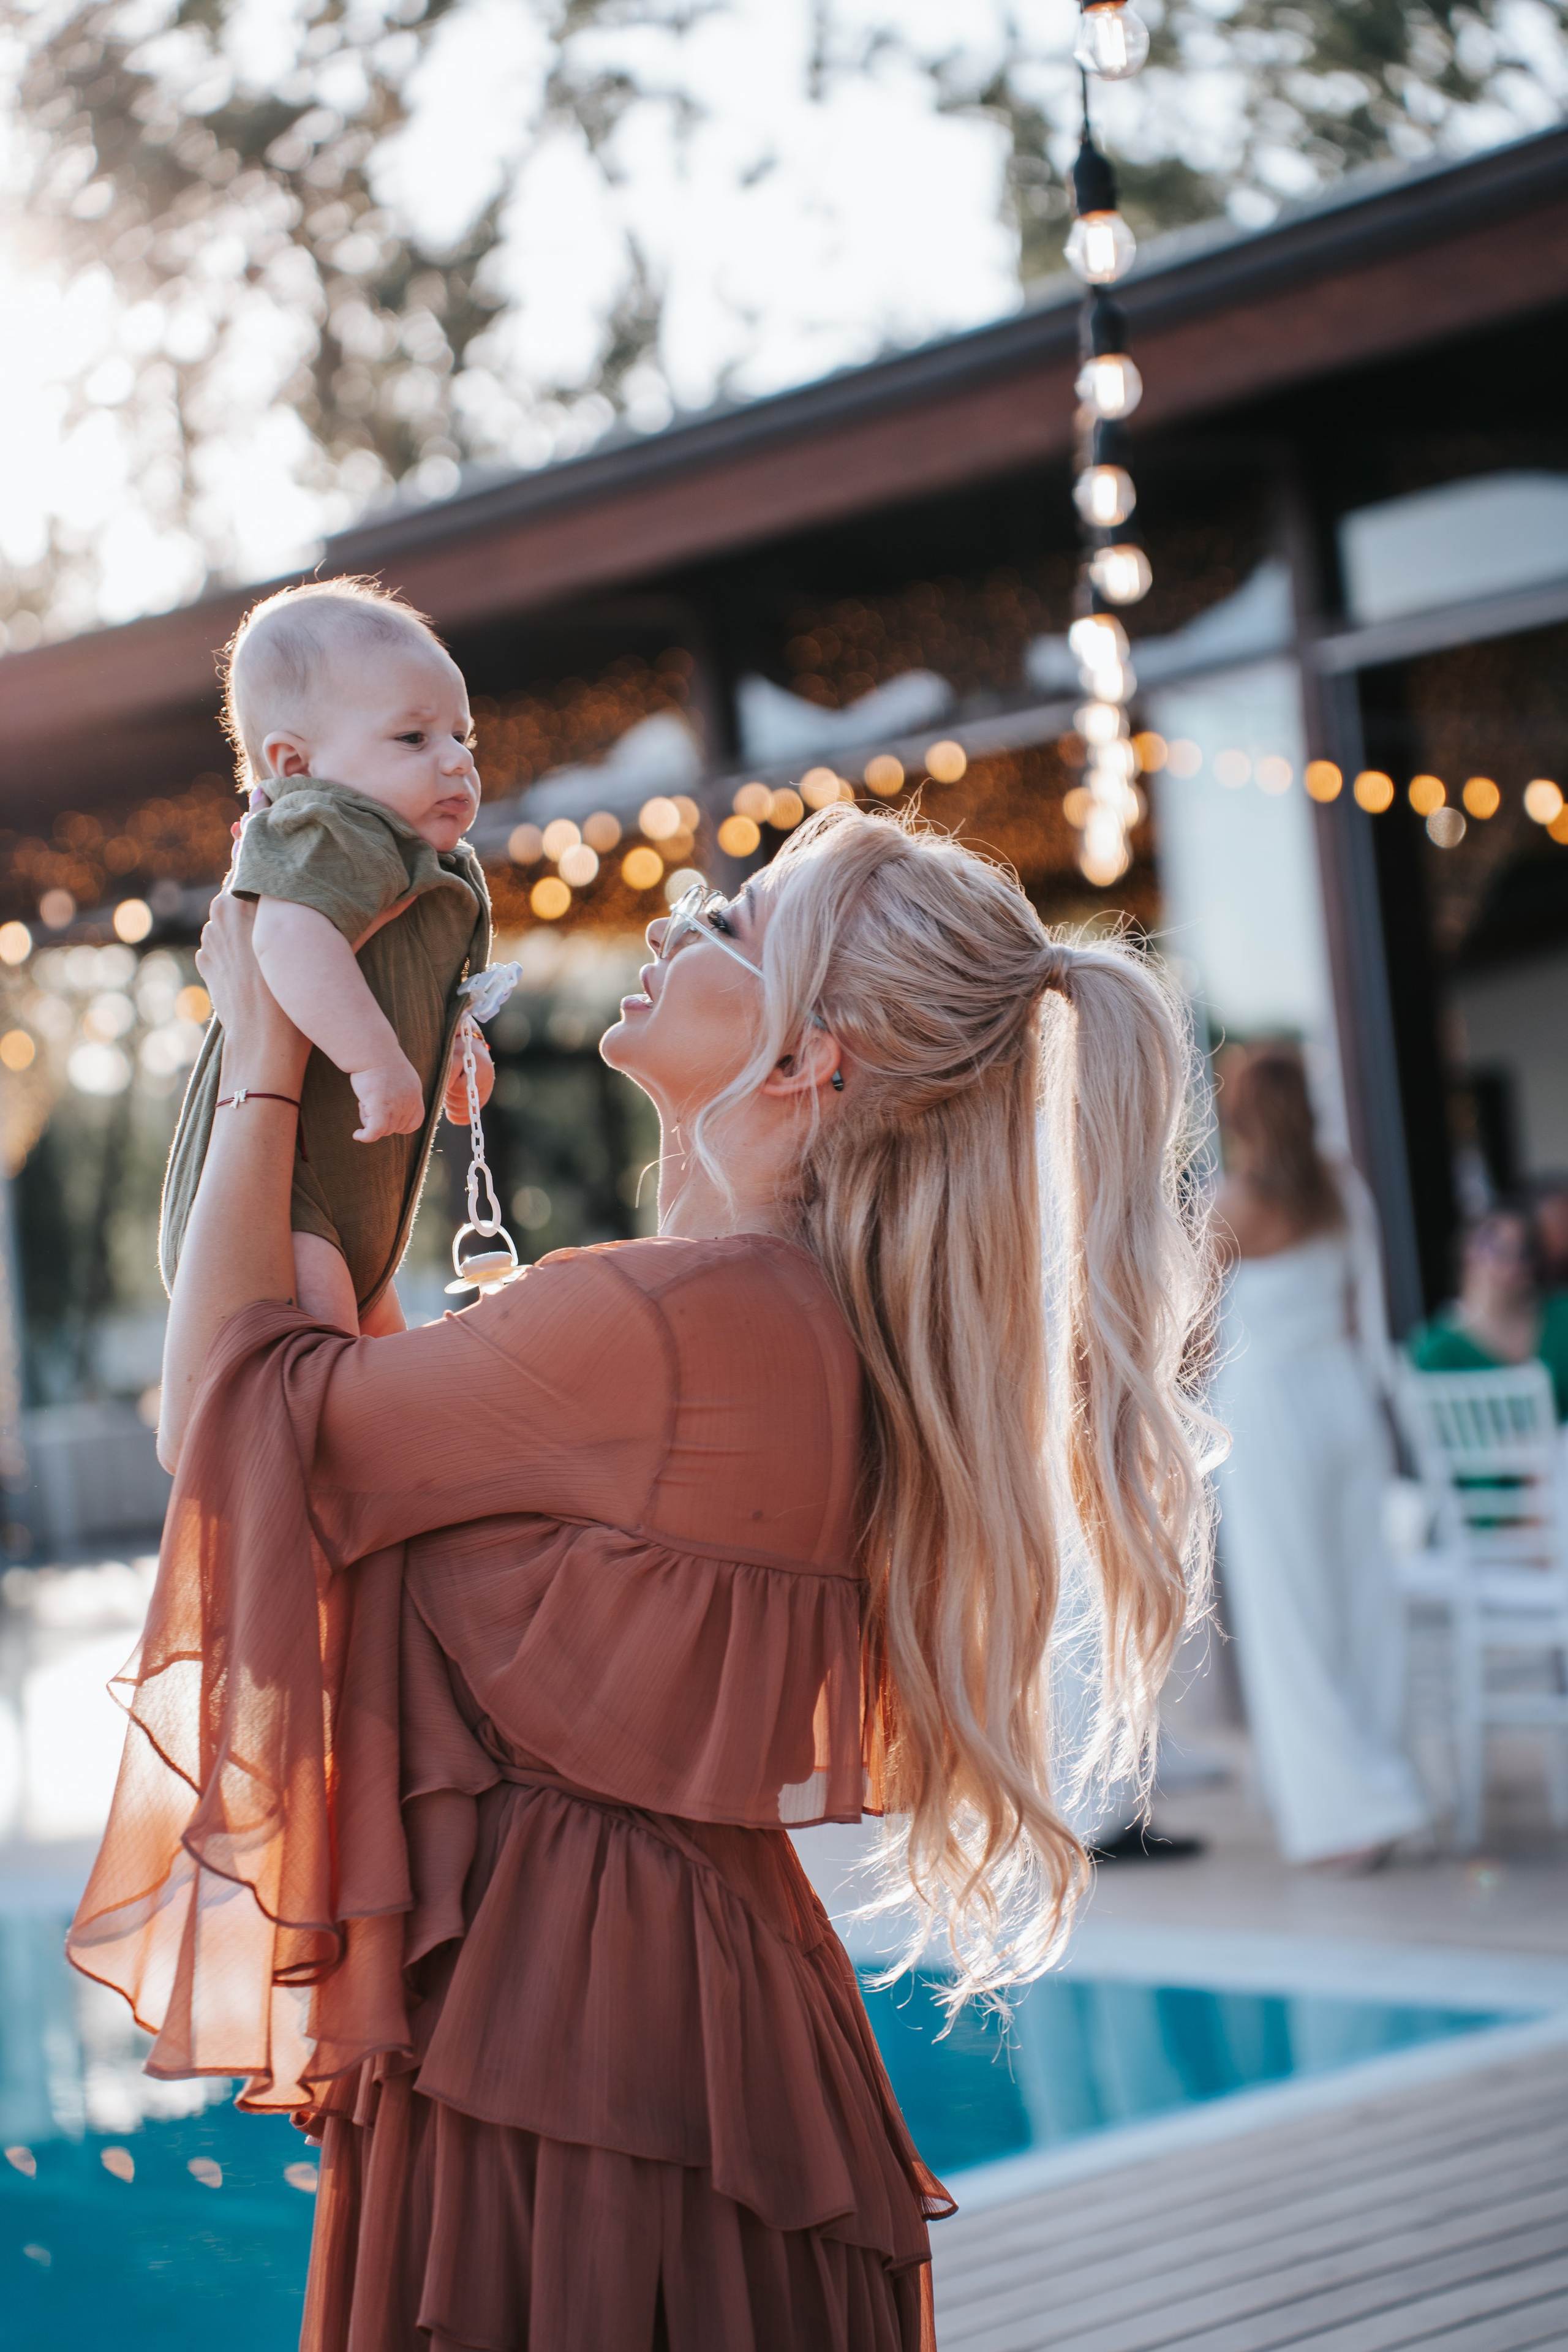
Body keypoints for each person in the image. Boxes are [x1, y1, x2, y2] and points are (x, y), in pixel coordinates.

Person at [67, 807, 1212, 2350]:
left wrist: (264, 1049)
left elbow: (233, 1409)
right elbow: (376, 1436)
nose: (676, 918)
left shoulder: (668, 1321)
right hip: (681, 2017)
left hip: (566, 2039)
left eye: (733, 922)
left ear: (815, 1058)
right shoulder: (785, 1317)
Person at [160, 579, 497, 1338]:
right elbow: (289, 942)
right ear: (295, 764)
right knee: (330, 1363)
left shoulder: (420, 861)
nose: (454, 762)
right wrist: (378, 1062)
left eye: (461, 736)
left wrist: (455, 1053)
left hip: (361, 1198)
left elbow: (421, 986)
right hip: (285, 1192)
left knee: (379, 1384)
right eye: (413, 739)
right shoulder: (328, 826)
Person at [1212, 1045, 1428, 1870]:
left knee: (1291, 1615)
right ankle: (1384, 1780)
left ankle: (1345, 1816)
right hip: (1344, 1400)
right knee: (1362, 1599)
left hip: (1270, 1414)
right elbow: (1357, 1305)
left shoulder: (1230, 1207)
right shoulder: (1343, 1189)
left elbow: (1192, 1331)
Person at [1409, 1206, 1568, 1420]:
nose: (1511, 1262)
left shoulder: (1560, 1315)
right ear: (1467, 1249)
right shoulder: (1436, 1348)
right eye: (1496, 1246)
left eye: (1524, 1252)